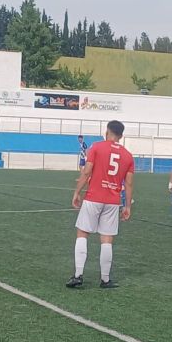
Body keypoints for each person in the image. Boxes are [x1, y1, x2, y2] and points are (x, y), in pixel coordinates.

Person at [66, 120, 134, 289]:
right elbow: (129, 184)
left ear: (107, 132)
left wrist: (77, 192)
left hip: (93, 197)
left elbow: (87, 171)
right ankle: (105, 279)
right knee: (107, 239)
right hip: (113, 201)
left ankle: (78, 275)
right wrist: (127, 207)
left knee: (82, 233)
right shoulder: (128, 155)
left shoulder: (96, 147)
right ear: (121, 135)